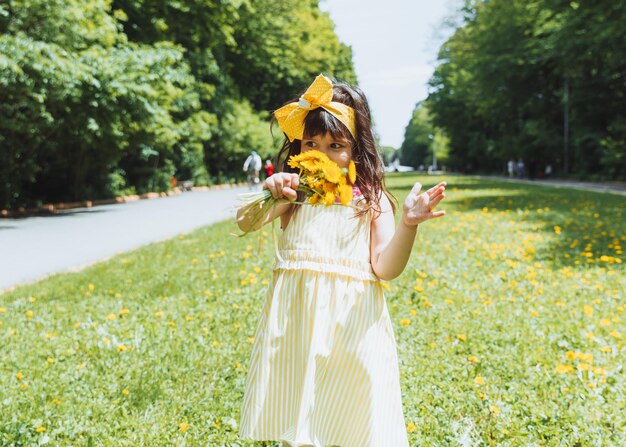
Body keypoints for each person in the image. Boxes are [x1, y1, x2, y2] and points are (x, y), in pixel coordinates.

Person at [235, 73, 447, 447]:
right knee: (299, 416)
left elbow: (385, 267)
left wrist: (409, 225)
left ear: (355, 149)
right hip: (299, 328)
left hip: (353, 329)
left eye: (336, 144)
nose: (321, 153)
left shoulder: (369, 199)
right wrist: (268, 193)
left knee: (351, 419)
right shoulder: (295, 194)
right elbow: (245, 222)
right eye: (311, 142)